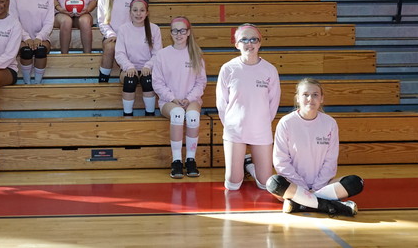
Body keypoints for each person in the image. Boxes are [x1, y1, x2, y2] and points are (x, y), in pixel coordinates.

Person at [266, 78, 364, 217]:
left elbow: (330, 161)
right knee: (274, 184)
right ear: (298, 98)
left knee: (356, 182)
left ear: (322, 99)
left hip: (323, 184)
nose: (310, 99)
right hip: (293, 185)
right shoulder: (286, 123)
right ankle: (330, 205)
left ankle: (300, 204)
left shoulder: (330, 123)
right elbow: (281, 161)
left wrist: (316, 188)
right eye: (305, 94)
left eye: (315, 94)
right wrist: (303, 187)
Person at [216, 23, 281, 191]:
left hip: (260, 131)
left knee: (265, 185)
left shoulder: (270, 70)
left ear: (260, 43)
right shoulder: (228, 69)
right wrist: (232, 125)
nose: (249, 43)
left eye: (253, 39)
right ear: (237, 44)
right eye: (244, 40)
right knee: (233, 185)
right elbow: (222, 103)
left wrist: (261, 122)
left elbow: (273, 102)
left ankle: (250, 166)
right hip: (235, 131)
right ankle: (243, 166)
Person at [152, 16, 206, 178]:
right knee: (177, 114)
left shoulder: (195, 53)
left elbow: (201, 82)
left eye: (182, 30)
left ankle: (190, 160)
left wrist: (189, 99)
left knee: (192, 116)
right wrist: (173, 98)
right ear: (171, 33)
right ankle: (176, 161)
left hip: (191, 100)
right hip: (169, 101)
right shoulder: (162, 55)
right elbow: (157, 82)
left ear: (188, 32)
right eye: (175, 30)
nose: (179, 34)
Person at [96, 0, 143, 82]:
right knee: (110, 47)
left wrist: (126, 36)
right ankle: (103, 80)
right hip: (112, 36)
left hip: (131, 36)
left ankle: (129, 75)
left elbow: (141, 19)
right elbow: (102, 21)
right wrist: (112, 34)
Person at [114, 0, 162, 116]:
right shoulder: (123, 29)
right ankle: (127, 115)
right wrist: (128, 67)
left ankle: (150, 114)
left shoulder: (154, 29)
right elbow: (119, 53)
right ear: (130, 12)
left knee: (148, 80)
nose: (138, 13)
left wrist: (148, 66)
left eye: (142, 10)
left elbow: (158, 53)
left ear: (147, 13)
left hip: (148, 68)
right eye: (135, 10)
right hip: (129, 68)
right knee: (130, 80)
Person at [10, 0, 55, 84]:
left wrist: (39, 37)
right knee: (26, 51)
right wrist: (27, 38)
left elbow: (49, 22)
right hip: (21, 38)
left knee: (40, 50)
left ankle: (37, 83)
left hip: (42, 37)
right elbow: (14, 22)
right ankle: (27, 82)